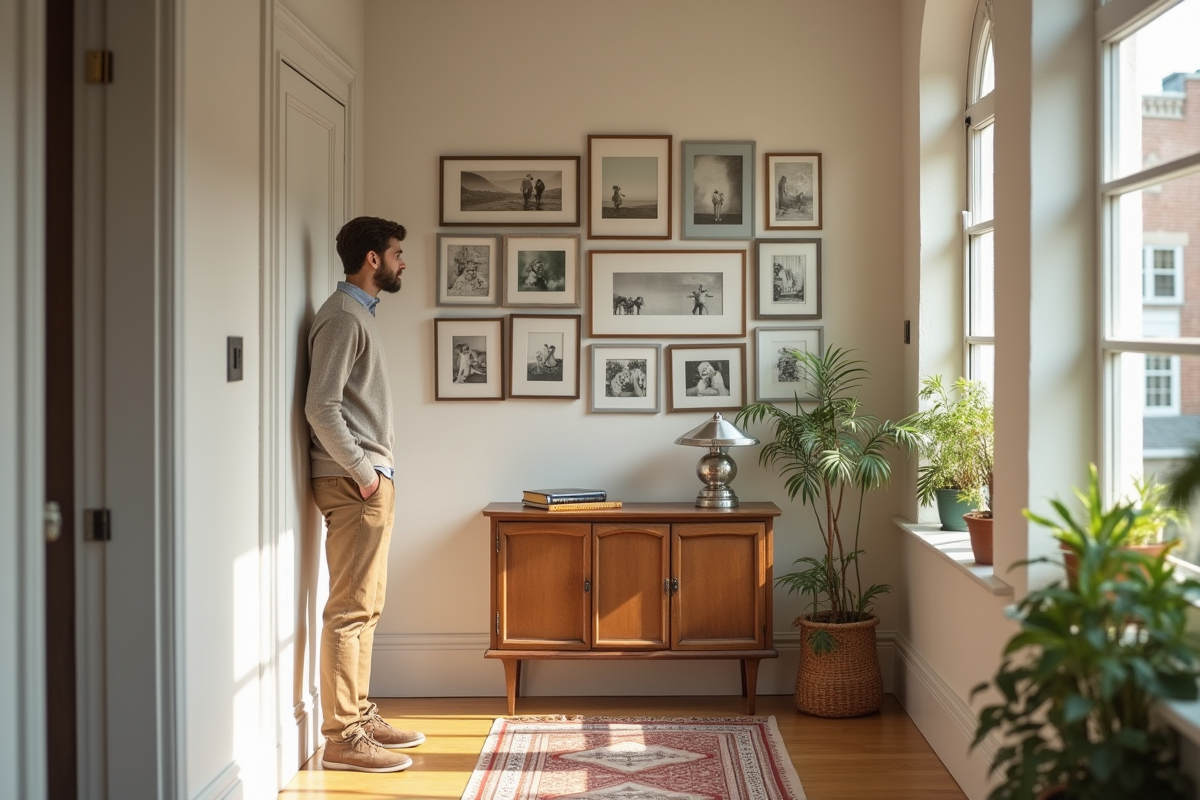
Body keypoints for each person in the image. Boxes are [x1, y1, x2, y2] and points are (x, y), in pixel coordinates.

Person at [305, 216, 424, 774]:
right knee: (351, 609)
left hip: (367, 481)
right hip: (356, 483)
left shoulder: (357, 315)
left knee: (366, 607)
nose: (403, 262)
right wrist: (364, 472)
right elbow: (320, 405)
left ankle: (359, 715)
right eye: (397, 253)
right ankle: (343, 736)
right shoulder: (343, 318)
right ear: (372, 259)